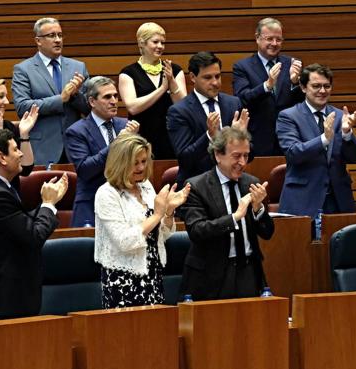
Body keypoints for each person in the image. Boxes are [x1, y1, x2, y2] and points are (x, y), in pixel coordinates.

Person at [0, 129, 68, 320]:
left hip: (7, 294)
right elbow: (34, 236)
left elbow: (17, 222)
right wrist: (48, 204)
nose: (21, 153)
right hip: (8, 296)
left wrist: (47, 204)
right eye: (15, 149)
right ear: (2, 157)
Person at [94, 134, 190, 308]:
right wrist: (156, 215)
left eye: (144, 161)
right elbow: (124, 241)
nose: (141, 167)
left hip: (152, 273)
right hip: (122, 279)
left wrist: (168, 212)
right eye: (135, 162)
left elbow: (162, 234)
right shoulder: (106, 194)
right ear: (120, 162)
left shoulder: (145, 186)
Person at [179, 126, 274, 300]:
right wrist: (234, 218)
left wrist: (258, 210)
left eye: (246, 156)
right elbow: (197, 230)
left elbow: (267, 233)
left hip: (248, 272)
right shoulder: (197, 187)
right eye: (236, 156)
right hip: (210, 275)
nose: (243, 162)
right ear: (218, 155)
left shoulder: (251, 184)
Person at [276, 63, 356, 218]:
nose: (322, 91)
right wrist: (324, 139)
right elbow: (293, 153)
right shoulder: (288, 116)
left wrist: (347, 133)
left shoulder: (341, 115)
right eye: (316, 86)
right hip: (303, 200)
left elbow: (355, 157)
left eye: (326, 86)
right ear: (303, 87)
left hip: (338, 201)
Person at [12, 17, 90, 166]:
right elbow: (23, 107)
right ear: (38, 41)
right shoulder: (23, 69)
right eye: (51, 35)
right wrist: (61, 99)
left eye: (60, 35)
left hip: (76, 147)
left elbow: (90, 108)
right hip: (42, 148)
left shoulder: (78, 67)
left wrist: (75, 95)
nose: (57, 40)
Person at [65, 76, 140, 227]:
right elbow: (85, 169)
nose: (114, 101)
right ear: (92, 102)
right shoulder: (76, 131)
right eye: (107, 97)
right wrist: (117, 143)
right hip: (91, 204)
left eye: (115, 96)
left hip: (125, 202)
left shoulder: (125, 125)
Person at [167, 51, 248, 187]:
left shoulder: (234, 103)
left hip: (232, 183)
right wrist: (209, 136)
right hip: (195, 187)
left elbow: (250, 154)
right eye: (207, 77)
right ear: (193, 77)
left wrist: (238, 137)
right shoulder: (179, 111)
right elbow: (185, 159)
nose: (215, 82)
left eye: (217, 76)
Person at [232, 17, 304, 156]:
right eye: (269, 39)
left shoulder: (292, 63)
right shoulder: (242, 67)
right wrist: (267, 85)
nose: (274, 43)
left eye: (279, 39)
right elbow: (242, 99)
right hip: (257, 139)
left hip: (289, 138)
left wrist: (295, 83)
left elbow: (302, 104)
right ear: (257, 38)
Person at [118, 22, 186, 159]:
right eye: (155, 42)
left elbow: (184, 105)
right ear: (141, 43)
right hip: (142, 137)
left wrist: (171, 82)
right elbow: (132, 107)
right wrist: (162, 89)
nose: (160, 46)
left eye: (163, 42)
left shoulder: (175, 70)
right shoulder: (128, 73)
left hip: (172, 136)